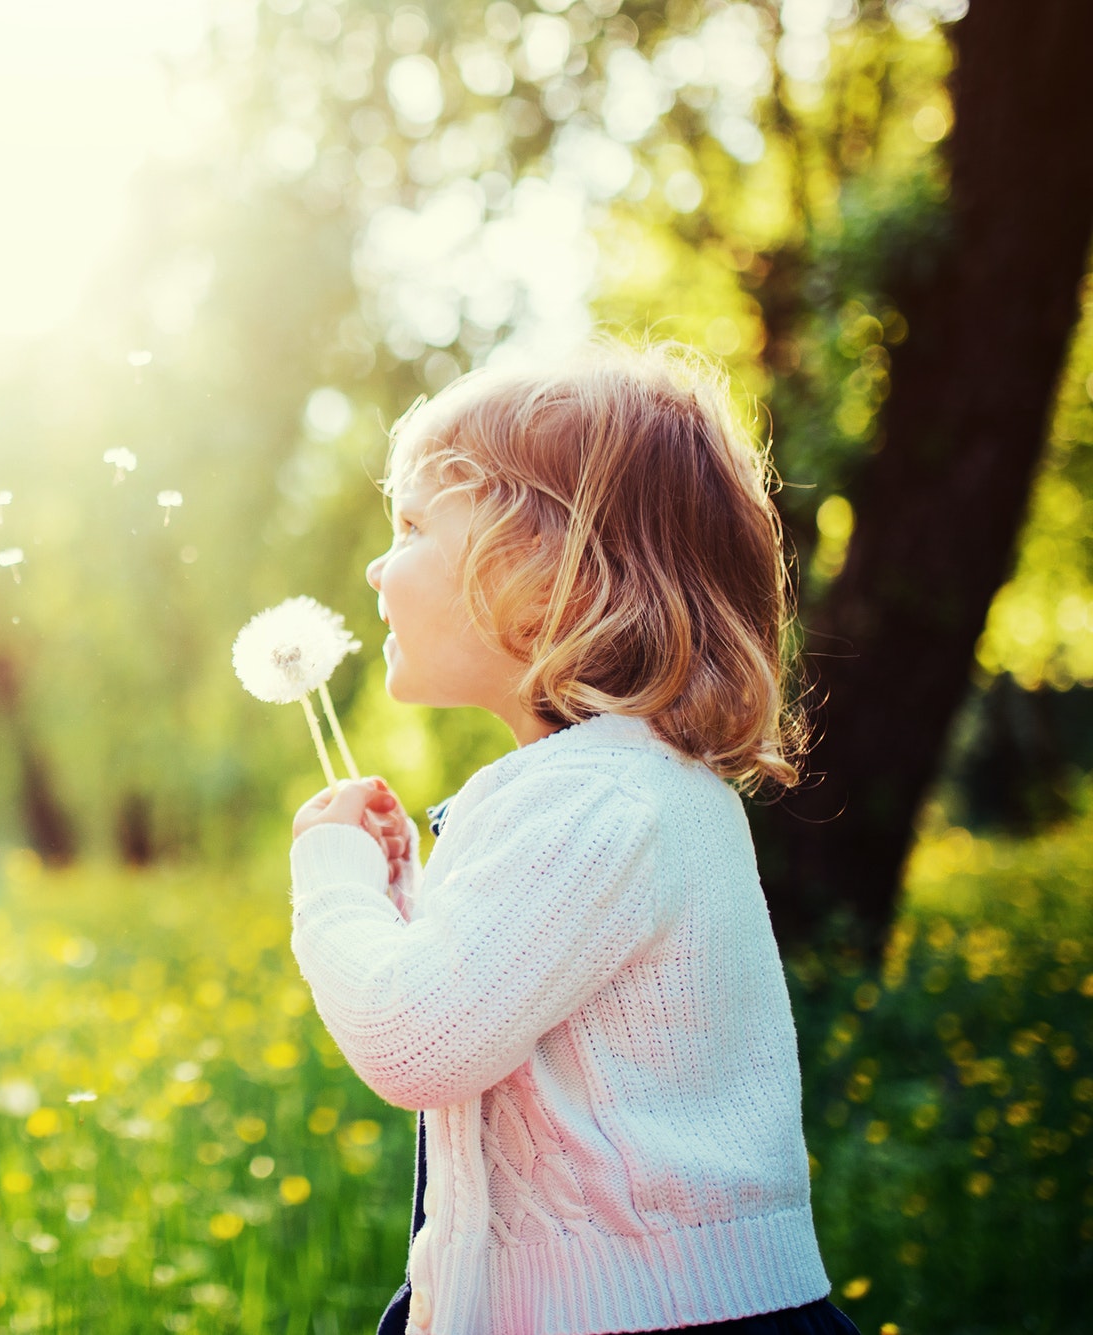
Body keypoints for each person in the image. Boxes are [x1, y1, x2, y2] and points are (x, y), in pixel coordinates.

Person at [287, 342, 862, 1335]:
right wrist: (402, 903)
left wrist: (333, 883)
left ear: (548, 570)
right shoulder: (596, 794)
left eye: (414, 525)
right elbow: (520, 1009)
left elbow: (415, 1042)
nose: (378, 565)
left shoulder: (601, 802)